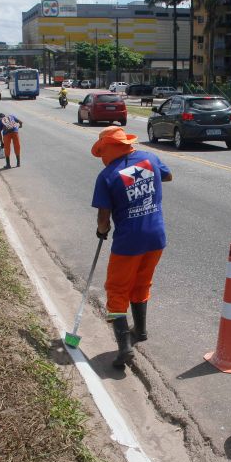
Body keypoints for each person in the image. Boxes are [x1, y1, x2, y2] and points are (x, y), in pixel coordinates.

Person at [90, 126, 173, 368]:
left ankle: (125, 347)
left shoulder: (107, 176)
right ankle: (141, 330)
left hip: (129, 242)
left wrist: (101, 231)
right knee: (142, 282)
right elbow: (168, 176)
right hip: (156, 237)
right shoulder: (151, 158)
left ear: (106, 149)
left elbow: (103, 219)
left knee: (117, 290)